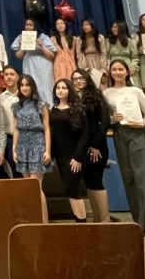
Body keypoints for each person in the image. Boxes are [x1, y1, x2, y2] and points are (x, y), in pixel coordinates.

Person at [103, 60, 145, 235]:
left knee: (141, 177)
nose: (117, 72)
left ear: (127, 72)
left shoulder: (136, 91)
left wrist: (142, 123)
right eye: (114, 69)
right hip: (119, 133)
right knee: (128, 176)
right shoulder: (107, 93)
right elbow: (106, 117)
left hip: (138, 134)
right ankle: (136, 220)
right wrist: (113, 119)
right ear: (110, 72)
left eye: (121, 69)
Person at [71, 69, 110, 222]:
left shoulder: (97, 95)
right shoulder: (73, 98)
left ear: (87, 79)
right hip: (82, 147)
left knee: (96, 181)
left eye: (81, 78)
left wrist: (95, 144)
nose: (78, 81)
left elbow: (105, 121)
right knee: (88, 183)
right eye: (74, 79)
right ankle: (97, 217)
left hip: (97, 146)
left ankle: (105, 219)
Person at [48, 78, 89, 222]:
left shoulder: (77, 109)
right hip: (60, 156)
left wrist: (78, 157)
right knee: (68, 189)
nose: (60, 90)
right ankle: (77, 218)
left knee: (74, 189)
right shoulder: (52, 110)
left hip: (74, 156)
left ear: (69, 90)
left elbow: (84, 135)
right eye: (58, 87)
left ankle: (82, 222)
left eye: (64, 88)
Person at [11, 74, 50, 222]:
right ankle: (33, 221)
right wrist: (14, 148)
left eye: (27, 85)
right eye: (22, 85)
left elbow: (47, 129)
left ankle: (44, 222)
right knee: (27, 187)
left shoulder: (41, 105)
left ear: (32, 86)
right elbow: (15, 129)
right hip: (22, 145)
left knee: (35, 186)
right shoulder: (16, 106)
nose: (25, 88)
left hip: (38, 144)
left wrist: (47, 150)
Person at [11, 17, 56, 107]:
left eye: (30, 25)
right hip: (29, 65)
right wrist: (23, 47)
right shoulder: (21, 37)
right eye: (26, 25)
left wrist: (42, 46)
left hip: (43, 66)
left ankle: (49, 109)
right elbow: (18, 56)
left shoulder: (43, 37)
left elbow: (52, 56)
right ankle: (32, 108)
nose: (28, 27)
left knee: (45, 87)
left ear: (35, 26)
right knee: (30, 85)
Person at [0, 65, 21, 176]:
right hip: (9, 139)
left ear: (17, 77)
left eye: (12, 74)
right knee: (13, 172)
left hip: (25, 138)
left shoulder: (24, 95)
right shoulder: (0, 99)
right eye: (6, 75)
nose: (9, 77)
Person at [77, 19, 108, 89]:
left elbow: (103, 53)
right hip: (87, 64)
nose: (85, 27)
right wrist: (85, 69)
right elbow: (79, 55)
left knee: (101, 87)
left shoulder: (100, 37)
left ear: (92, 26)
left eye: (87, 25)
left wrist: (103, 68)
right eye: (83, 25)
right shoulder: (80, 39)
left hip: (98, 63)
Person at [107, 21, 140, 86]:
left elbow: (135, 57)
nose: (113, 29)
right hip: (113, 68)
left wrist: (133, 67)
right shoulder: (108, 41)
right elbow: (107, 56)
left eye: (115, 27)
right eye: (112, 27)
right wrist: (108, 66)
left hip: (128, 67)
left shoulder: (130, 41)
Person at [52, 18, 79, 85]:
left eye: (61, 23)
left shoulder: (74, 39)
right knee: (61, 84)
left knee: (72, 84)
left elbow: (77, 54)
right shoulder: (53, 39)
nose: (59, 25)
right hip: (58, 66)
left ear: (66, 25)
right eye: (57, 24)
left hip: (71, 65)